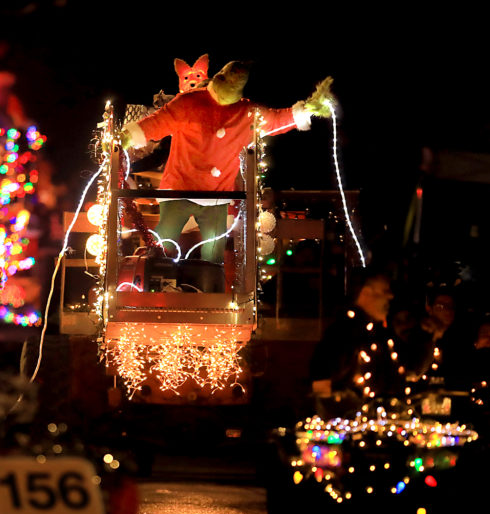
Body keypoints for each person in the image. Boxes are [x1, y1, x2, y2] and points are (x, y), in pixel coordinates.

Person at [120, 61, 333, 262]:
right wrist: (127, 137)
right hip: (180, 188)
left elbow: (276, 120)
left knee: (213, 256)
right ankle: (154, 288)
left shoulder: (246, 113)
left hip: (216, 196)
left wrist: (307, 109)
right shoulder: (189, 102)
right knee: (162, 246)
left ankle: (209, 291)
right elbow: (158, 122)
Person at [309, 269, 406, 418]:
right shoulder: (343, 331)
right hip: (347, 424)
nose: (390, 296)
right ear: (366, 293)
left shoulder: (379, 333)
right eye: (385, 291)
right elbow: (321, 378)